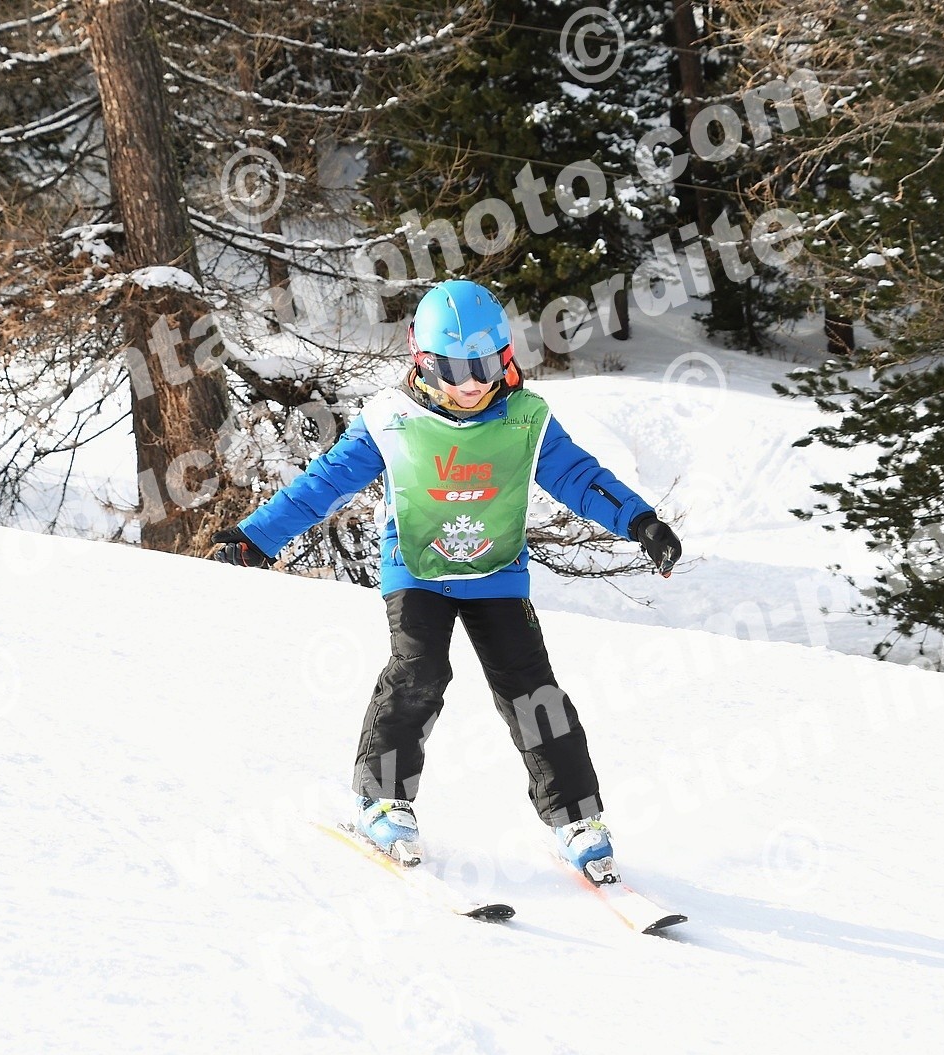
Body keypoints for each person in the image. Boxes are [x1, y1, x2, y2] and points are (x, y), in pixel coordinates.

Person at [211, 280, 681, 885]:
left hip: (497, 570)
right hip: (416, 567)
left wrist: (641, 523)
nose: (472, 383)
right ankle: (383, 799)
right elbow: (323, 484)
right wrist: (255, 538)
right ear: (423, 360)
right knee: (419, 671)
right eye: (455, 369)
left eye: (486, 365)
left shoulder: (526, 418)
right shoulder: (389, 418)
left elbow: (581, 479)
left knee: (533, 690)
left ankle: (576, 818)